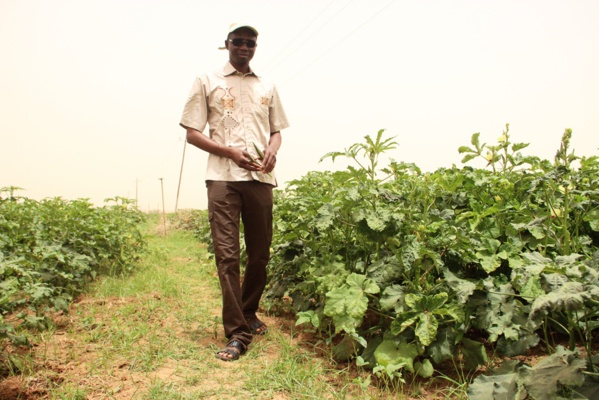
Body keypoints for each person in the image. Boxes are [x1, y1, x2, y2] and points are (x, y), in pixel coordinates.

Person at [179, 23, 289, 361]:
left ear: (256, 47)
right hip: (223, 178)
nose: (244, 47)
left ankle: (249, 312)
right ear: (226, 44)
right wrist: (229, 152)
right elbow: (192, 133)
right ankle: (237, 333)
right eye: (238, 42)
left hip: (259, 180)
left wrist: (273, 150)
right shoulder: (207, 81)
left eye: (250, 42)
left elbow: (277, 131)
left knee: (260, 253)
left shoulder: (266, 85)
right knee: (227, 256)